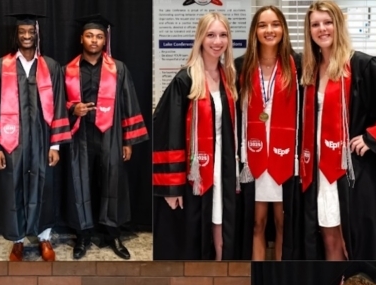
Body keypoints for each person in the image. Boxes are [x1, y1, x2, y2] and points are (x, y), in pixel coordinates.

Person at [298, 1, 376, 261]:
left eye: (327, 22)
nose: (322, 29)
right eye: (315, 24)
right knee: (328, 236)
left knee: (354, 240)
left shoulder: (363, 66)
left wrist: (373, 137)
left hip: (353, 170)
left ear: (338, 25)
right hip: (317, 168)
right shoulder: (309, 70)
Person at [0, 13, 69, 261]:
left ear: (37, 34)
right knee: (12, 186)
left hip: (42, 139)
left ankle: (44, 238)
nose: (27, 36)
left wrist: (56, 144)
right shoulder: (1, 66)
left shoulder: (50, 66)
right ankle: (17, 241)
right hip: (11, 141)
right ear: (15, 35)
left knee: (44, 186)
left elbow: (59, 104)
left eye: (31, 32)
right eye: (22, 32)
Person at [152, 12, 240, 261]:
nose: (217, 41)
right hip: (196, 173)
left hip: (222, 168)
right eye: (211, 35)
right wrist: (172, 187)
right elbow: (168, 133)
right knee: (196, 234)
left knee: (222, 229)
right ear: (200, 38)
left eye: (223, 35)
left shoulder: (228, 77)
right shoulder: (185, 80)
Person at [63, 15, 147, 260]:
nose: (94, 40)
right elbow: (57, 103)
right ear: (82, 38)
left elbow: (128, 103)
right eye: (90, 35)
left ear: (104, 40)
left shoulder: (118, 69)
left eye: (99, 36)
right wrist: (72, 109)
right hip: (79, 133)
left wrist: (128, 140)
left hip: (110, 133)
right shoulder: (68, 70)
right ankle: (83, 235)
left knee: (113, 182)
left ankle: (113, 234)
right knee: (80, 184)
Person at [236, 6, 300, 261]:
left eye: (275, 24)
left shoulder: (297, 64)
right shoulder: (241, 66)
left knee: (284, 224)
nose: (269, 30)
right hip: (254, 157)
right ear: (255, 31)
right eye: (263, 25)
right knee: (257, 223)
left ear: (283, 29)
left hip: (286, 156)